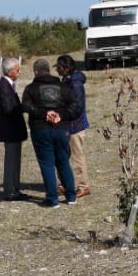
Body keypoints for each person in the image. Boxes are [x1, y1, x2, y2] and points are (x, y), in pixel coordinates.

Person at [19, 58, 78, 207]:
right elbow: (75, 108)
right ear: (49, 71)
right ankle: (71, 196)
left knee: (47, 164)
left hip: (40, 130)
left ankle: (53, 199)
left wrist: (42, 113)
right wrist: (61, 116)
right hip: (62, 129)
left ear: (36, 72)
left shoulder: (31, 89)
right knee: (63, 161)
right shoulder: (63, 87)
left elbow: (25, 106)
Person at [56, 54, 91, 199]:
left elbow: (77, 108)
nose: (57, 70)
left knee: (77, 157)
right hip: (67, 125)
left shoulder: (75, 85)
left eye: (59, 67)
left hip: (75, 127)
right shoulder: (67, 81)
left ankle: (83, 186)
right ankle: (64, 184)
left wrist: (62, 116)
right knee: (63, 156)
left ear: (67, 68)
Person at [0, 56, 29, 200]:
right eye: (17, 70)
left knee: (15, 161)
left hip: (14, 130)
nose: (19, 72)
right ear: (9, 72)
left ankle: (15, 188)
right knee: (11, 162)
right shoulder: (3, 86)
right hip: (10, 131)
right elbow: (9, 108)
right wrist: (24, 107)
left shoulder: (8, 85)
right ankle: (10, 191)